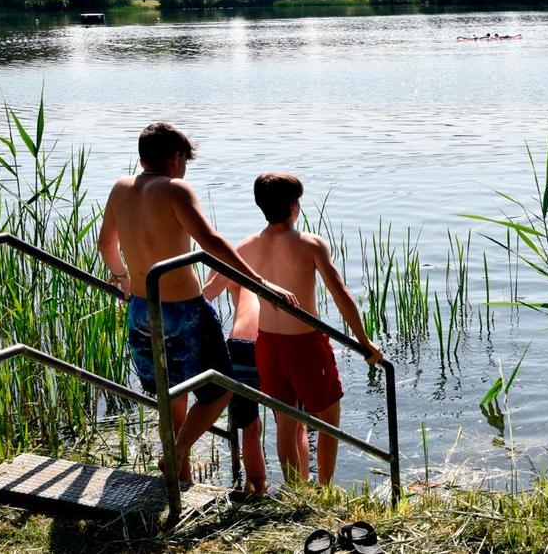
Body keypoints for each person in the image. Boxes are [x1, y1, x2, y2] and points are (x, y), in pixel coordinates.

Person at [97, 122, 297, 483]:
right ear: (175, 158)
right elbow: (211, 241)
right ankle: (175, 455)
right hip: (184, 311)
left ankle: (181, 476)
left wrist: (123, 278)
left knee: (171, 393)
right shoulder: (176, 190)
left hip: (142, 308)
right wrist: (261, 281)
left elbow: (105, 245)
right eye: (184, 160)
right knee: (222, 386)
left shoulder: (120, 188)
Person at [237, 173, 383, 485]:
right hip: (305, 344)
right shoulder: (310, 244)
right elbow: (340, 294)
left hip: (268, 345)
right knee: (329, 419)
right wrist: (364, 340)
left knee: (285, 424)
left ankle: (295, 490)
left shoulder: (247, 246)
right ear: (293, 206)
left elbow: (215, 284)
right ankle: (325, 488)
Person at [203, 270, 270, 497]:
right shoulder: (274, 265)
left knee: (250, 428)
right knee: (293, 423)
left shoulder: (233, 268)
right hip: (273, 341)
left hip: (240, 347)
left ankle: (256, 486)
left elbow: (205, 294)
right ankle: (301, 485)